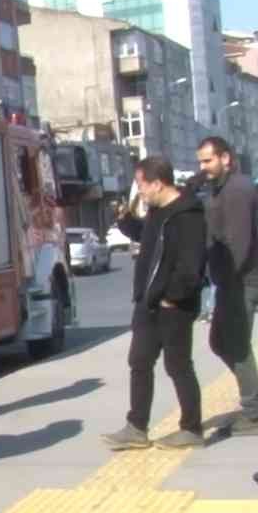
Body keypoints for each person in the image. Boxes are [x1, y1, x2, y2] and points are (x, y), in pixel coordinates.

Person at [103, 156, 208, 450]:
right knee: (139, 362)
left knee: (178, 366)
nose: (140, 192)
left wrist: (172, 297)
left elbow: (192, 265)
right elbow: (148, 239)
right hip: (148, 304)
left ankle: (192, 429)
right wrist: (125, 221)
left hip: (173, 306)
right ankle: (136, 427)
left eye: (141, 185)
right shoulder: (156, 212)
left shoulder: (187, 214)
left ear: (158, 183)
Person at [196, 136, 258, 434]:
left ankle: (254, 415)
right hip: (228, 280)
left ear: (226, 158)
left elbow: (239, 245)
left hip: (242, 280)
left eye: (208, 160)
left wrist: (226, 281)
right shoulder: (219, 189)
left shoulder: (238, 190)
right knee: (220, 341)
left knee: (236, 343)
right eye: (200, 161)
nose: (203, 167)